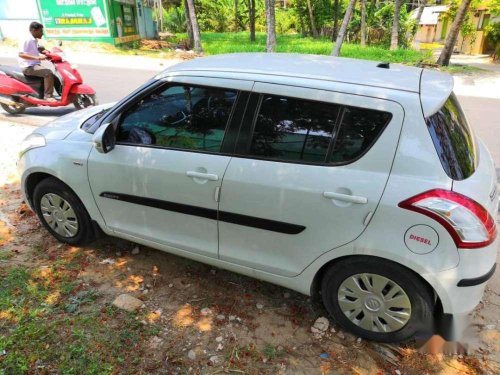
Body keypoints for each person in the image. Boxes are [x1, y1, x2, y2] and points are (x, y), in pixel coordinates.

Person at [18, 22, 56, 102]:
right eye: (40, 31)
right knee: (48, 73)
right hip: (28, 67)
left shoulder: (33, 39)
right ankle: (48, 96)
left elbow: (38, 48)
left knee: (53, 74)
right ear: (34, 30)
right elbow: (21, 54)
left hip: (34, 64)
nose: (42, 33)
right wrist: (38, 57)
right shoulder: (26, 39)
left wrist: (47, 52)